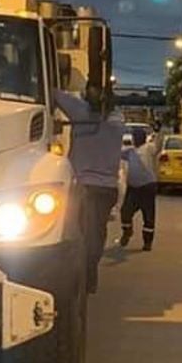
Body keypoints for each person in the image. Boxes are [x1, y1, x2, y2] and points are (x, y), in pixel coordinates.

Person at [53, 85, 124, 292]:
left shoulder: (80, 112)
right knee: (97, 232)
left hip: (83, 185)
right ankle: (90, 271)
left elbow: (53, 92)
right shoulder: (118, 120)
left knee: (72, 230)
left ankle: (79, 272)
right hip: (107, 188)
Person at [119, 131, 158, 250]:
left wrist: (159, 131)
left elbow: (158, 144)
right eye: (134, 137)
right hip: (133, 188)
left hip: (147, 186)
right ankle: (127, 231)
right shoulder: (130, 151)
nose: (136, 140)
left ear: (144, 139)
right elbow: (116, 153)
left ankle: (147, 242)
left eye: (138, 137)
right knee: (125, 212)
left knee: (148, 216)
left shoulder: (149, 148)